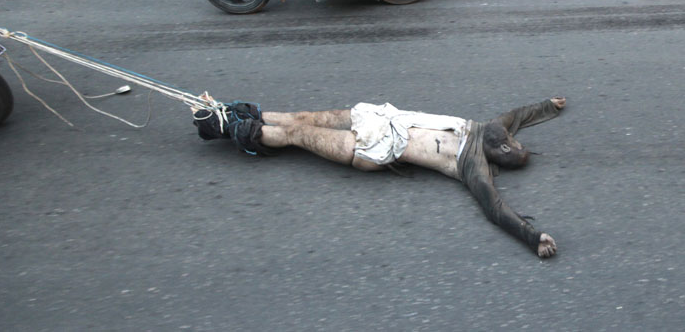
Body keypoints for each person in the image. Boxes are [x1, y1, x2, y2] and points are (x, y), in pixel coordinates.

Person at [192, 95, 568, 258]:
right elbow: (520, 114)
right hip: (377, 118)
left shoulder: (473, 166)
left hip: (371, 150)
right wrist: (549, 106)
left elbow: (496, 208)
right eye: (511, 140)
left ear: (498, 156)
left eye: (506, 148)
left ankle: (225, 129)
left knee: (296, 136)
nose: (506, 139)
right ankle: (232, 110)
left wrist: (533, 236)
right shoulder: (488, 126)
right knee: (300, 118)